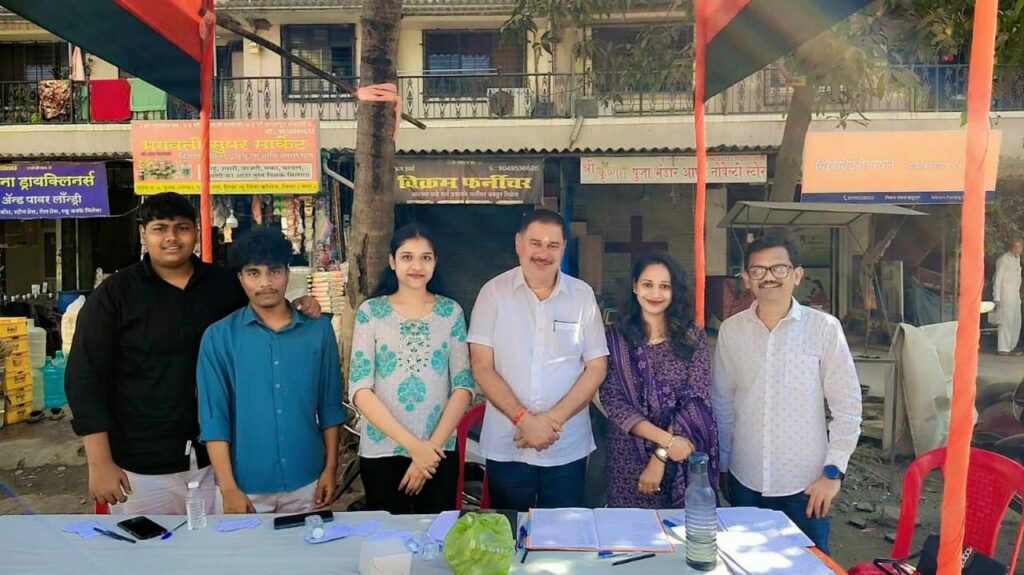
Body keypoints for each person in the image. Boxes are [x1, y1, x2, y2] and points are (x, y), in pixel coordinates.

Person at [65, 192, 320, 515]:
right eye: (160, 228)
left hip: (222, 461)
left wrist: (301, 307)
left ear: (196, 232)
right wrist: (99, 462)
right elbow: (84, 377)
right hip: (143, 464)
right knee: (149, 546)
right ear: (143, 234)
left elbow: (267, 312)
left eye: (182, 228)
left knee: (227, 546)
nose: (171, 238)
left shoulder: (224, 285)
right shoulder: (114, 295)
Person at [711, 236, 861, 553]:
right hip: (745, 478)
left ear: (797, 274)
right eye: (758, 270)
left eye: (779, 268)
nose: (768, 277)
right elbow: (722, 402)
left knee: (809, 566)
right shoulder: (731, 330)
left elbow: (847, 406)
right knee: (745, 563)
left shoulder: (824, 329)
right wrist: (723, 465)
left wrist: (833, 474)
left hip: (806, 485)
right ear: (746, 278)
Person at [468, 209, 608, 511]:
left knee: (563, 533)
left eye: (552, 245)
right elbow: (481, 366)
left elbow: (596, 367)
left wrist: (550, 421)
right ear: (518, 243)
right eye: (535, 243)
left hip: (566, 445)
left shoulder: (582, 296)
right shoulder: (493, 293)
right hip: (508, 444)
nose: (543, 253)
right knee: (508, 531)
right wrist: (524, 421)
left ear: (563, 248)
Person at [198, 227, 345, 513]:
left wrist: (330, 467)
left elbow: (330, 406)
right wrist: (228, 488)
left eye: (274, 271)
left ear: (288, 273)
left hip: (308, 479)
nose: (265, 282)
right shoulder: (219, 337)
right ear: (240, 278)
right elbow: (215, 418)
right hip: (244, 485)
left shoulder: (318, 330)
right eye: (254, 273)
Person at [349, 224, 474, 514]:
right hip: (382, 450)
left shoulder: (450, 312)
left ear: (435, 262)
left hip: (439, 450)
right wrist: (414, 447)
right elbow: (360, 389)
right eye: (407, 257)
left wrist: (429, 450)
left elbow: (463, 386)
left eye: (425, 257)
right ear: (392, 262)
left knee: (436, 534)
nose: (416, 266)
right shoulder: (371, 312)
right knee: (388, 536)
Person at [600, 251, 718, 508]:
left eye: (665, 286)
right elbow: (613, 400)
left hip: (682, 453)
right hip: (627, 455)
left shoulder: (692, 337)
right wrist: (666, 441)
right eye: (648, 284)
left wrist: (661, 456)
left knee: (681, 527)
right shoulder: (614, 338)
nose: (656, 293)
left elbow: (695, 398)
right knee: (630, 528)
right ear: (635, 286)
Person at [992, 239, 1023, 355]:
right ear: (1011, 247)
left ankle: (1011, 346)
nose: (1017, 249)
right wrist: (997, 297)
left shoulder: (1017, 259)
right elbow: (998, 278)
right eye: (1015, 246)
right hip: (1005, 294)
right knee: (1006, 321)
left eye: (1019, 247)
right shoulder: (1004, 259)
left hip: (1015, 294)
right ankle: (1003, 347)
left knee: (1016, 321)